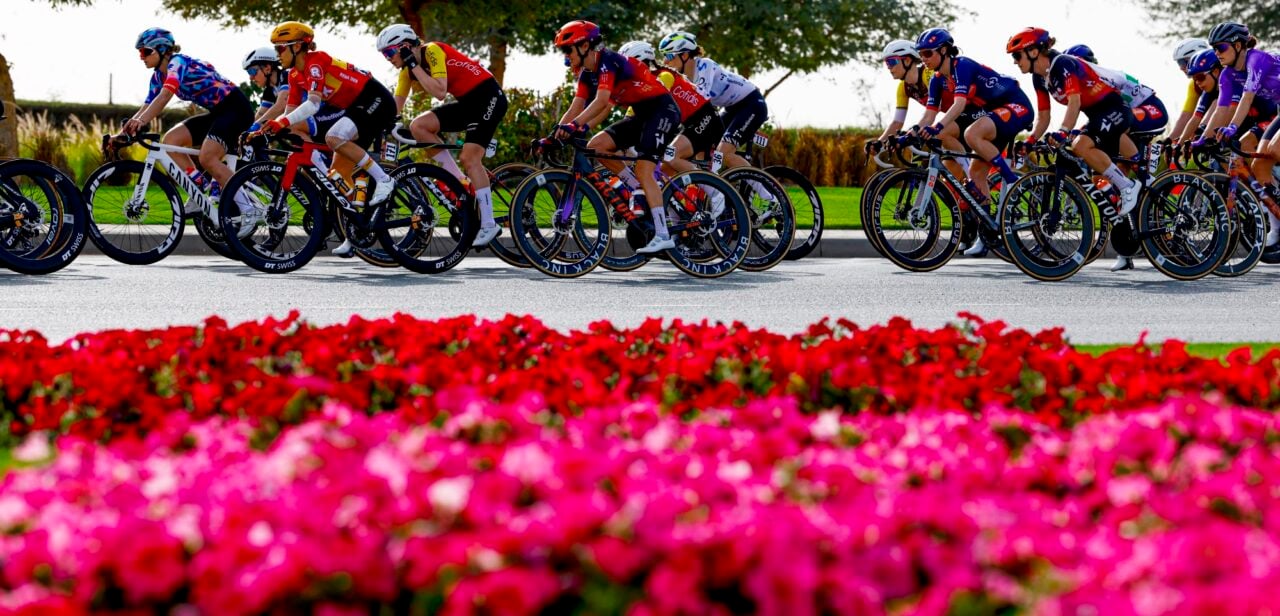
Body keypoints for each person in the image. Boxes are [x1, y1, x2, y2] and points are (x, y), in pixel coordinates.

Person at [249, 21, 399, 256]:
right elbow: (290, 111)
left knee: (334, 136)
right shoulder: (295, 75)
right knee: (337, 177)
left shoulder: (316, 61)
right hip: (355, 108)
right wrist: (267, 129)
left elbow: (314, 104)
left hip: (374, 99)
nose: (277, 55)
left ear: (298, 46)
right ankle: (356, 230)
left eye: (280, 48)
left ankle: (384, 180)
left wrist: (283, 122)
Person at [1009, 27, 1141, 272]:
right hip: (1097, 115)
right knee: (1082, 151)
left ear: (1035, 51)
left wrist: (1063, 131)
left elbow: (1074, 101)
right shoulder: (1039, 77)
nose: (1015, 62)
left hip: (1114, 109)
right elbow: (1044, 116)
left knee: (1079, 144)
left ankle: (1128, 186)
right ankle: (1124, 194)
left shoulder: (1063, 64)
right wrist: (1030, 140)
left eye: (1018, 56)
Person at [376, 24, 509, 247]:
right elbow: (395, 107)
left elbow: (439, 92)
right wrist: (379, 125)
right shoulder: (407, 72)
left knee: (470, 157)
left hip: (488, 97)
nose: (387, 58)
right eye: (384, 54)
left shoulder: (432, 51)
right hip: (468, 103)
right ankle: (459, 181)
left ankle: (488, 223)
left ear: (406, 46)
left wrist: (413, 65)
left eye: (389, 52)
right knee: (419, 126)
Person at [555, 20, 683, 254]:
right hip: (641, 115)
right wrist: (556, 133)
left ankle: (663, 235)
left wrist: (575, 126)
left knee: (645, 168)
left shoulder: (608, 61)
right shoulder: (587, 74)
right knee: (597, 146)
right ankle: (637, 186)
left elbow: (601, 101)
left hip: (662, 110)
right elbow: (578, 106)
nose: (565, 56)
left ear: (584, 46)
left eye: (567, 49)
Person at [917, 27, 1034, 256]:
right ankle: (987, 234)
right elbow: (928, 115)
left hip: (1015, 105)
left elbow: (958, 105)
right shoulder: (937, 80)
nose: (923, 59)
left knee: (971, 134)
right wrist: (910, 133)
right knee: (976, 173)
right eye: (921, 54)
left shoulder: (963, 66)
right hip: (993, 114)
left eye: (928, 54)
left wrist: (937, 127)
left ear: (943, 51)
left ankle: (1010, 180)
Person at [123, 28, 254, 203]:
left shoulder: (177, 62)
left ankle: (248, 208)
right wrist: (124, 132)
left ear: (162, 50)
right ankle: (199, 188)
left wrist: (141, 122)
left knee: (207, 158)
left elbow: (164, 97)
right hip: (218, 113)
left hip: (236, 108)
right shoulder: (158, 77)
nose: (142, 57)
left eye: (146, 51)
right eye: (140, 52)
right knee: (171, 142)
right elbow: (147, 105)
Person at [657, 31, 766, 171]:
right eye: (663, 56)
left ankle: (768, 192)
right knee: (702, 143)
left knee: (724, 154)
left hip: (751, 103)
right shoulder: (683, 79)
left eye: (669, 55)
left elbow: (702, 96)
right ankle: (709, 184)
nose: (665, 61)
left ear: (684, 55)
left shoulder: (705, 65)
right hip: (730, 109)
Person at [617, 41, 723, 176]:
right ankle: (672, 197)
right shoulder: (641, 83)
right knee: (663, 172)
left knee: (671, 155)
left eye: (628, 65)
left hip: (706, 118)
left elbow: (650, 105)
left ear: (641, 62)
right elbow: (633, 110)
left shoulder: (664, 76)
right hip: (688, 123)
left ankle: (714, 189)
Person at [1206, 22, 1280, 210]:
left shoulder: (1257, 59)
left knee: (1275, 149)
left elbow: (1246, 100)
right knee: (1259, 163)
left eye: (1220, 47)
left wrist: (1232, 128)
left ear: (1238, 45)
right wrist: (1201, 140)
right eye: (1214, 49)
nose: (1217, 53)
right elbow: (1221, 109)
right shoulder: (1227, 74)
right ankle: (1276, 226)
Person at [1062, 44, 1169, 136]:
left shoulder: (1103, 77)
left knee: (1114, 123)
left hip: (1152, 108)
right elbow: (1100, 115)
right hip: (1129, 110)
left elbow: (1110, 113)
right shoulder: (1085, 87)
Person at [1170, 39, 1213, 143]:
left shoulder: (1222, 74)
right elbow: (1186, 116)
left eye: (1183, 62)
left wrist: (1200, 130)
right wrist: (1169, 140)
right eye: (1178, 63)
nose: (1181, 68)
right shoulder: (1193, 85)